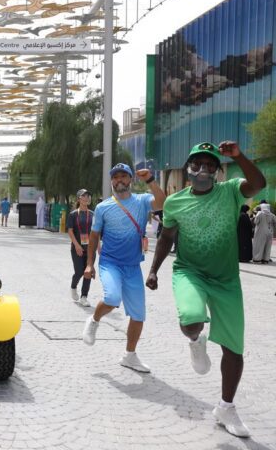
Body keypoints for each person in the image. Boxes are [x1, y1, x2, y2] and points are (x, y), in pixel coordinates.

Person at [146, 141, 266, 437]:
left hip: (226, 280)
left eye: (210, 165)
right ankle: (196, 340)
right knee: (191, 321)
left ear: (217, 171)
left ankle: (226, 407)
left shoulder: (230, 191)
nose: (203, 169)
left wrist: (239, 156)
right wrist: (153, 270)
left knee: (234, 349)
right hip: (190, 272)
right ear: (188, 169)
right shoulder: (174, 203)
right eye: (197, 164)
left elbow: (258, 183)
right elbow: (166, 238)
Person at [82, 163, 166, 374]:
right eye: (115, 177)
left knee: (138, 315)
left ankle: (130, 356)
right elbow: (93, 237)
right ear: (112, 181)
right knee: (111, 298)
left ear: (130, 180)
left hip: (132, 266)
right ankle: (94, 320)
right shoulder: (103, 207)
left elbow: (162, 202)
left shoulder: (142, 201)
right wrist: (90, 263)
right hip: (110, 263)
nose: (119, 180)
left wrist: (150, 180)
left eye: (123, 177)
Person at [66, 189, 94, 307]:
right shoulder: (73, 214)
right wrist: (77, 245)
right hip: (77, 247)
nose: (87, 198)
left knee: (88, 272)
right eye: (84, 196)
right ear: (79, 199)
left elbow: (95, 231)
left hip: (90, 248)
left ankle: (84, 296)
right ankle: (73, 287)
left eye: (88, 196)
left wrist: (98, 246)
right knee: (78, 272)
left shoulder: (93, 214)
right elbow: (70, 231)